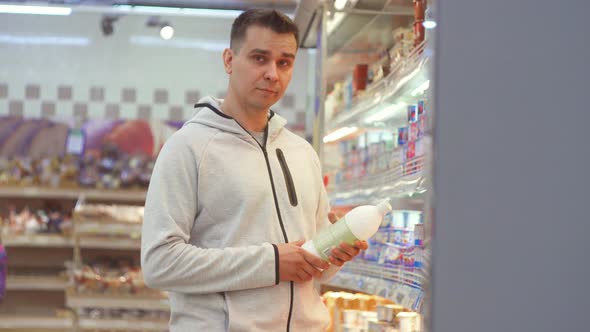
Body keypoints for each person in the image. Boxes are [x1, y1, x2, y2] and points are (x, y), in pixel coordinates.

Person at [141, 8, 367, 332]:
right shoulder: (188, 148)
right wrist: (272, 263)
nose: (273, 74)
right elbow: (158, 263)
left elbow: (312, 265)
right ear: (229, 60)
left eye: (284, 62)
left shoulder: (302, 153)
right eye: (259, 58)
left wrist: (335, 252)